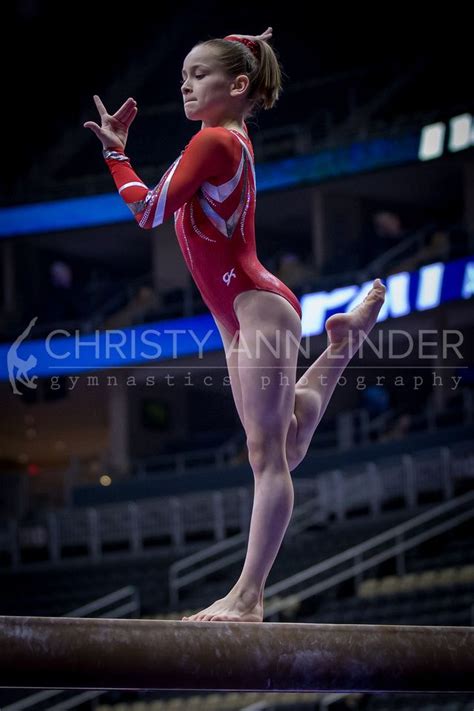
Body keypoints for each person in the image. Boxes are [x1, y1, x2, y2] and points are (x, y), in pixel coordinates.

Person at [84, 26, 386, 623]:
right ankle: (345, 344)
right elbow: (163, 202)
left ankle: (247, 597)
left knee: (267, 455)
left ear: (238, 85)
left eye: (199, 76)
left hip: (254, 302)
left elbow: (147, 209)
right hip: (235, 313)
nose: (186, 87)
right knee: (287, 444)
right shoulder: (223, 139)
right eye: (183, 78)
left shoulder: (218, 143)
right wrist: (240, 40)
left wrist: (117, 152)